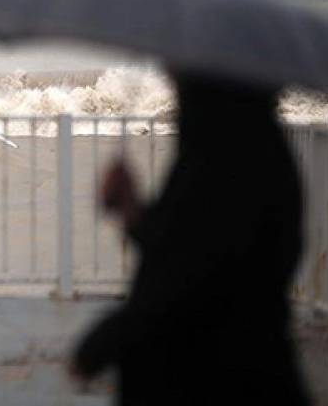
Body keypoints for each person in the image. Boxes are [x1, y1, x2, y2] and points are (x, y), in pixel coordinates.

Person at [69, 72, 311, 405]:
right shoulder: (255, 151)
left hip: (210, 379)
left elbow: (189, 282)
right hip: (249, 370)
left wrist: (103, 343)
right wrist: (131, 209)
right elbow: (183, 243)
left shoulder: (224, 162)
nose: (174, 79)